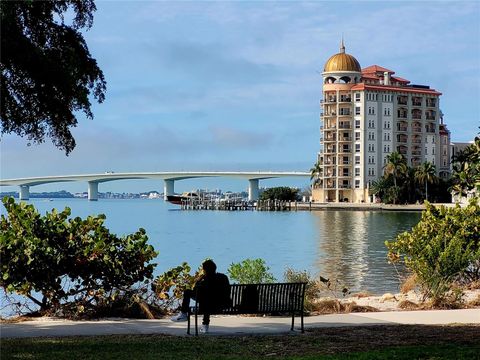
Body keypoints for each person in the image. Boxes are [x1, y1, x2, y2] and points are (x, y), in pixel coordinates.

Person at [171, 259, 230, 333]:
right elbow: (228, 291)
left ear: (204, 270)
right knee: (207, 299)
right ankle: (205, 326)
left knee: (188, 292)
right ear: (215, 268)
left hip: (207, 305)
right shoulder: (223, 277)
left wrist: (198, 281)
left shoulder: (204, 280)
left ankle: (183, 313)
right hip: (223, 305)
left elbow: (196, 292)